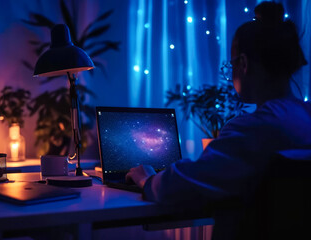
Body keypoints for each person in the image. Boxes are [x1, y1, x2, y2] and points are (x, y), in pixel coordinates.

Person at [126, 1, 310, 239]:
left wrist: (147, 179)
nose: (230, 74)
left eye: (231, 65)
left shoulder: (253, 129)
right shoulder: (304, 116)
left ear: (243, 64)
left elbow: (181, 187)